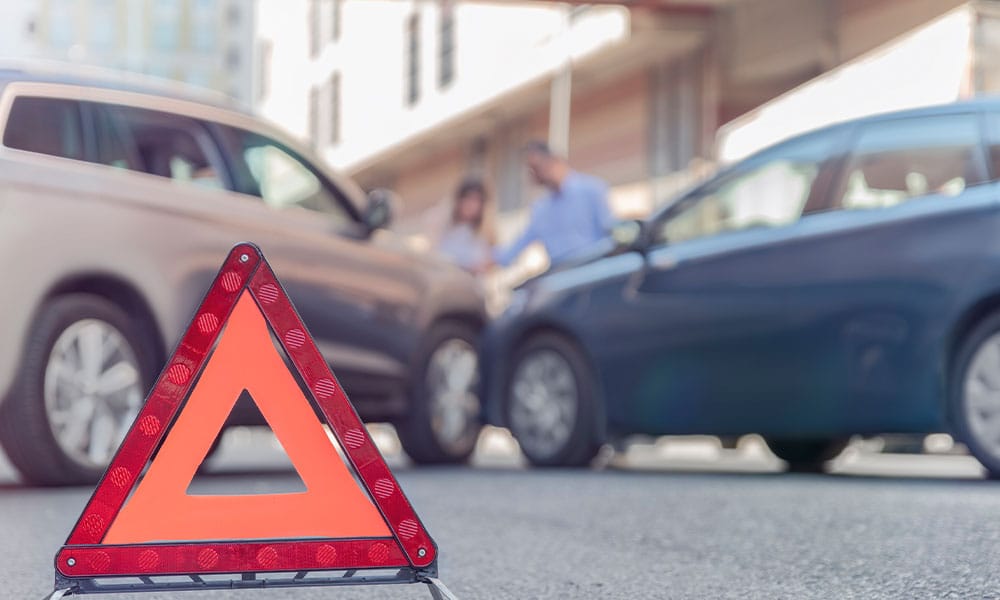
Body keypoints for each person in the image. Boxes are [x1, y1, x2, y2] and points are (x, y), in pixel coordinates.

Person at [494, 140, 615, 268]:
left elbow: (611, 234)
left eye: (536, 167)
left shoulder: (592, 190)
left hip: (596, 273)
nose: (533, 175)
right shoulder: (540, 210)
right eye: (530, 170)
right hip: (560, 280)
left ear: (555, 161)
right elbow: (515, 249)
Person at [437, 177, 493, 274]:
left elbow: (488, 264)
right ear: (459, 200)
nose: (472, 205)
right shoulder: (443, 226)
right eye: (468, 198)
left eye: (477, 200)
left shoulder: (484, 234)